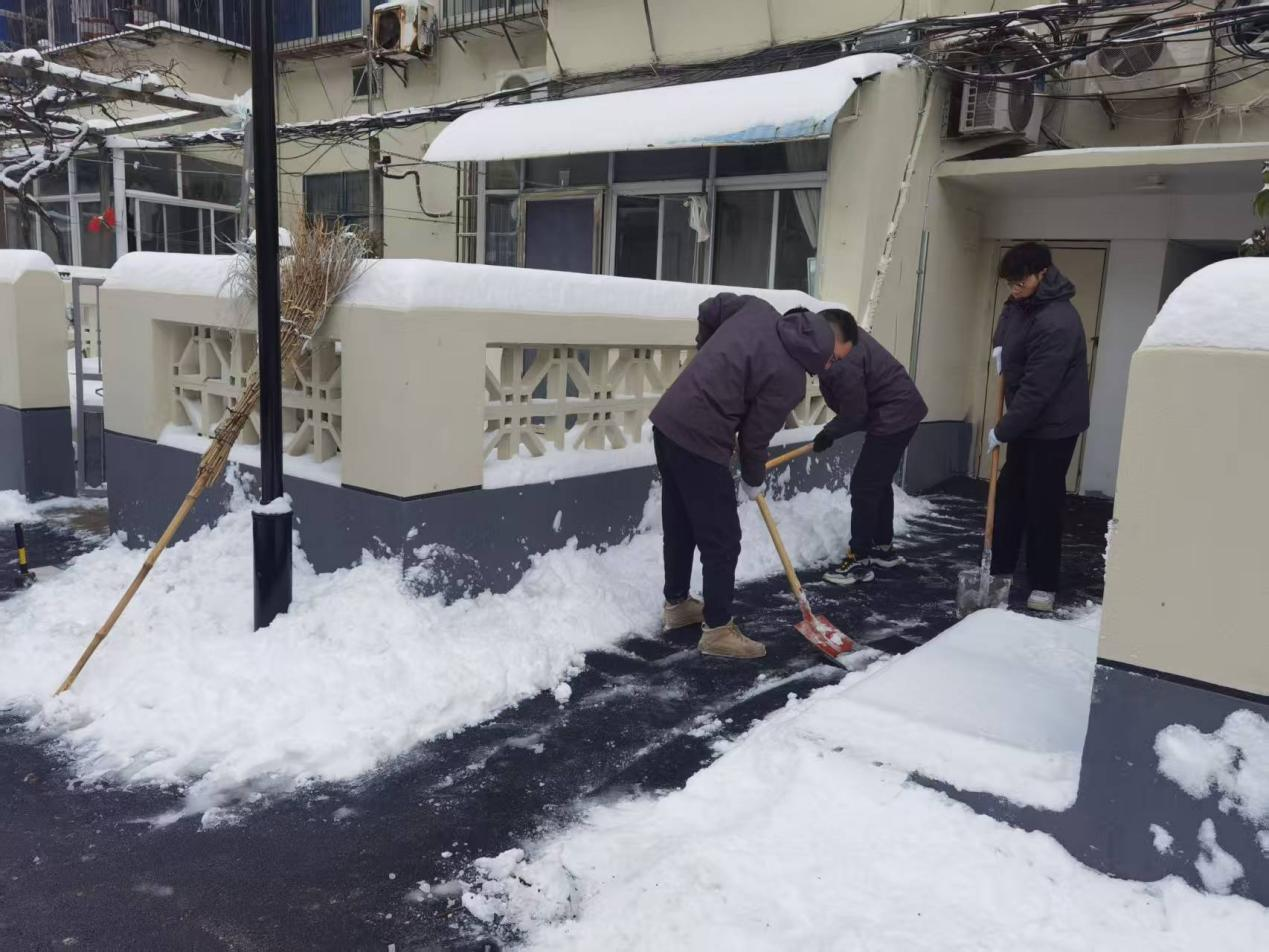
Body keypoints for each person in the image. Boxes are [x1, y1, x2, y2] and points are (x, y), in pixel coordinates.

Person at [650, 293, 856, 659]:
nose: (828, 367)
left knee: (681, 521)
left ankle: (678, 605)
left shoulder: (756, 309)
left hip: (668, 422)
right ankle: (717, 631)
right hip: (701, 439)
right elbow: (755, 437)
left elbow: (709, 308)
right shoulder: (790, 378)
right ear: (820, 352)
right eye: (831, 360)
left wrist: (708, 354)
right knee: (723, 539)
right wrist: (753, 477)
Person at [987, 242, 1090, 613]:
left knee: (1042, 502)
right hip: (1026, 419)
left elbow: (1038, 389)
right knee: (1010, 495)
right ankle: (999, 571)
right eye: (1010, 283)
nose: (1014, 289)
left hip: (1055, 424)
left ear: (1043, 273)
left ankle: (1044, 583)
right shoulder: (1019, 302)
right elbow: (1007, 324)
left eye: (1021, 281)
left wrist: (1003, 429)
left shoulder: (1059, 320)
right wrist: (1000, 347)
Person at [814, 321, 928, 586]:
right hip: (900, 411)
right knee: (877, 481)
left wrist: (829, 433)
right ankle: (882, 548)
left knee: (864, 485)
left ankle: (859, 561)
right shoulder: (837, 336)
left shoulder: (843, 361)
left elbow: (854, 411)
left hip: (894, 417)